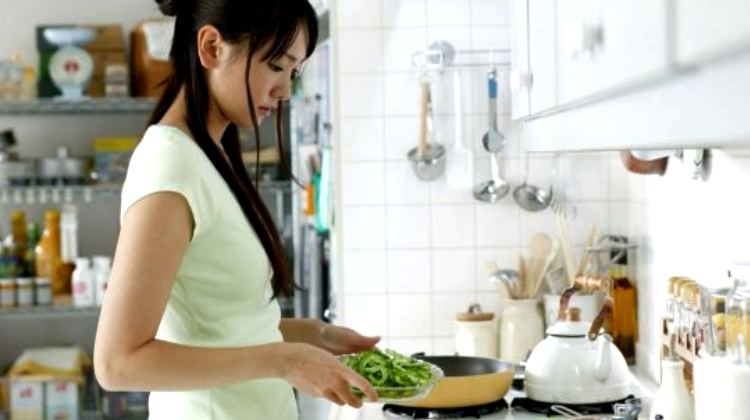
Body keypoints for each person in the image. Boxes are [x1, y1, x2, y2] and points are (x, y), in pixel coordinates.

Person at [93, 0, 379, 418]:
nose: (284, 91)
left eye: (294, 73)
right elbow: (118, 363)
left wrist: (317, 336)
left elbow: (222, 327)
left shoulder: (210, 157)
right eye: (277, 66)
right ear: (211, 47)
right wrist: (286, 361)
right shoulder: (170, 165)